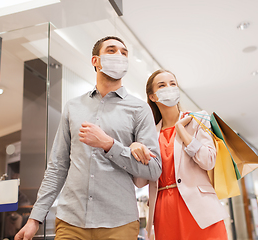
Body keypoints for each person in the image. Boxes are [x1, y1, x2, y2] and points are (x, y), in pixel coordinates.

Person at [15, 36, 162, 240]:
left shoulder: (139, 109)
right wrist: (34, 219)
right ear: (95, 60)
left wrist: (110, 145)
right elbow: (57, 167)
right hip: (71, 222)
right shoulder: (73, 107)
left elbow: (154, 169)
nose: (119, 55)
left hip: (119, 223)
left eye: (124, 52)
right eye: (111, 50)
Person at [132, 69, 229, 240]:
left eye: (172, 84)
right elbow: (140, 182)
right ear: (153, 96)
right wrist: (136, 151)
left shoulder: (198, 119)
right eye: (162, 85)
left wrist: (182, 132)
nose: (169, 88)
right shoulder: (149, 134)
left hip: (200, 208)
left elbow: (208, 161)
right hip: (164, 210)